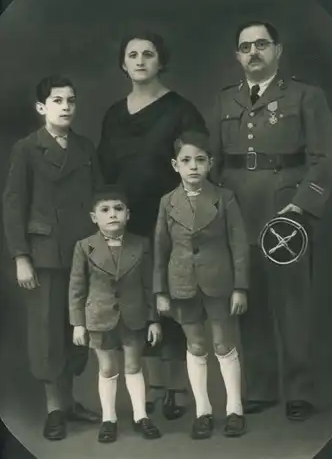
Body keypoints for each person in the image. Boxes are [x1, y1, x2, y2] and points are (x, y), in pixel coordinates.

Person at [209, 20, 332, 421]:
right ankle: (260, 387)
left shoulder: (305, 96)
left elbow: (324, 158)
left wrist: (301, 204)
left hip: (286, 215)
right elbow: (213, 162)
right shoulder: (226, 101)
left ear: (278, 50)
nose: (254, 52)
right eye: (246, 47)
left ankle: (299, 390)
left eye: (262, 44)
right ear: (237, 56)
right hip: (239, 210)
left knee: (293, 303)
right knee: (250, 300)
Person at [97, 31, 208, 419]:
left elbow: (199, 163)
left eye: (149, 54)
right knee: (133, 302)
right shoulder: (113, 114)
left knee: (174, 299)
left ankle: (173, 389)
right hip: (125, 224)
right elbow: (104, 172)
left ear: (162, 61)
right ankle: (140, 388)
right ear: (123, 64)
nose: (141, 60)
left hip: (171, 220)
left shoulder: (181, 110)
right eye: (133, 54)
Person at [2, 75, 101, 440]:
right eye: (57, 100)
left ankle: (71, 402)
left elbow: (98, 200)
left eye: (71, 100)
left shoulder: (86, 148)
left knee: (79, 327)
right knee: (47, 332)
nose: (66, 107)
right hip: (44, 254)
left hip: (82, 251)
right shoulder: (27, 149)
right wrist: (20, 256)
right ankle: (55, 409)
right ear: (41, 107)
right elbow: (14, 206)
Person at [153, 131, 249, 439]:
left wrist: (240, 287)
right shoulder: (168, 203)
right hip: (181, 284)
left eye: (200, 160)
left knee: (223, 343)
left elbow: (239, 244)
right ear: (174, 165)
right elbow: (160, 250)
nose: (193, 167)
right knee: (194, 345)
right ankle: (203, 411)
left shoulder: (224, 197)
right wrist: (160, 291)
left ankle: (235, 409)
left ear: (210, 164)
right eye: (186, 161)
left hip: (219, 283)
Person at [69, 185, 162, 443]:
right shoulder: (84, 247)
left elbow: (148, 285)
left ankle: (141, 415)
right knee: (108, 367)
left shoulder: (140, 244)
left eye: (118, 209)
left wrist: (153, 319)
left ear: (128, 214)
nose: (112, 215)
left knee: (133, 365)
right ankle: (108, 418)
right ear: (93, 217)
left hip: (133, 316)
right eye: (105, 210)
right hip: (98, 317)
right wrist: (78, 323)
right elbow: (76, 288)